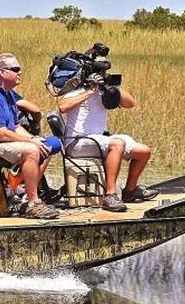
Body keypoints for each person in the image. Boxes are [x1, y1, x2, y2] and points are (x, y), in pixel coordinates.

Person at [0, 54, 63, 219]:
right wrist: (32, 143)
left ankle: (26, 195)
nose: (20, 72)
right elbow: (1, 133)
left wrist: (35, 139)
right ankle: (33, 204)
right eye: (15, 69)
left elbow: (15, 127)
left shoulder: (7, 93)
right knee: (32, 151)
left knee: (48, 145)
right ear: (2, 73)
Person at [55, 72, 156, 212]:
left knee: (143, 152)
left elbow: (130, 103)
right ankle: (110, 195)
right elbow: (63, 107)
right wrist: (90, 91)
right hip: (77, 142)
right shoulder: (76, 91)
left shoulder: (106, 92)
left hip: (99, 139)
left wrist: (113, 85)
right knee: (117, 144)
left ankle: (130, 190)